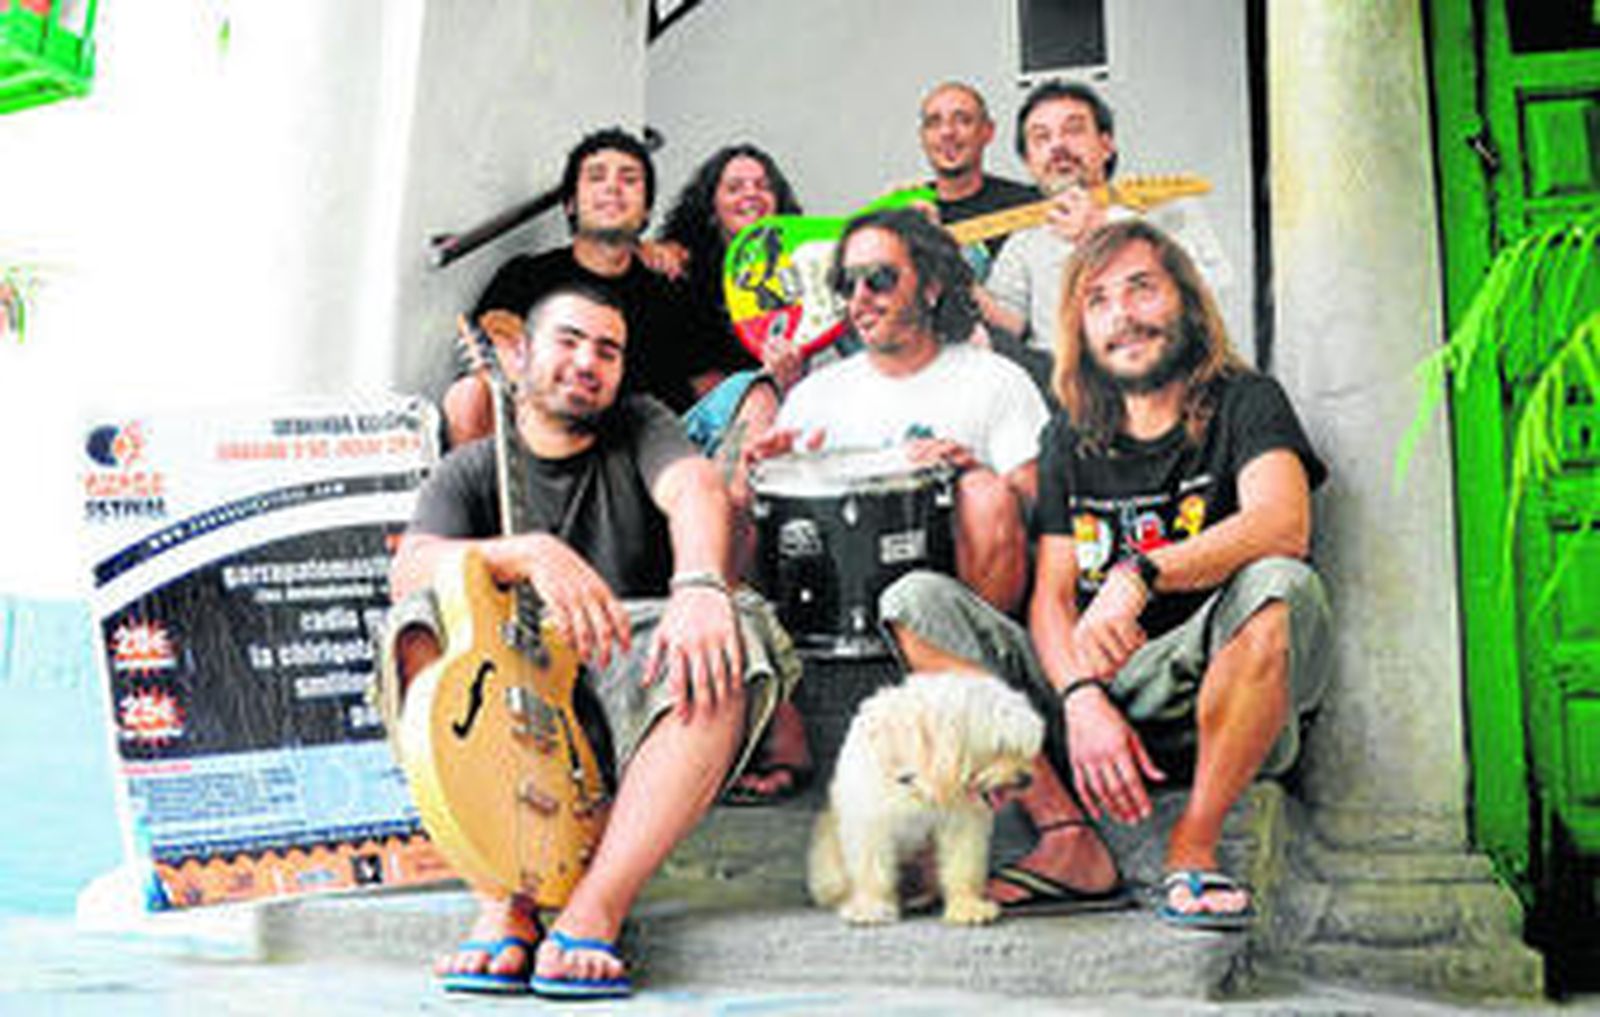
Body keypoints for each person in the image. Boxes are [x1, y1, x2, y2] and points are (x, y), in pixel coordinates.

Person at [880, 220, 1330, 929]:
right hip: (1084, 699)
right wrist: (1083, 696)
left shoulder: (1246, 399)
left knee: (1281, 582)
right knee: (914, 602)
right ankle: (1066, 837)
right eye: (1097, 300)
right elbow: (1053, 595)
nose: (1122, 315)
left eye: (1141, 289)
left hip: (1201, 687)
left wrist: (1138, 574)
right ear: (1079, 327)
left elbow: (1284, 523)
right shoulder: (1070, 433)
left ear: (1183, 300)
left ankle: (1193, 848)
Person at [391, 283, 799, 997]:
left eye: (606, 350)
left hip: (625, 682)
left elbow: (696, 487)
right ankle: (502, 899)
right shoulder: (471, 468)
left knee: (726, 634)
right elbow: (409, 568)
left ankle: (593, 909)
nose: (588, 362)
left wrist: (701, 584)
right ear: (519, 359)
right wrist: (529, 553)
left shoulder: (639, 423)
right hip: (507, 701)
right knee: (414, 623)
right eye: (569, 341)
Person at [759, 207, 1049, 616]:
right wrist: (768, 474)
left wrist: (968, 469)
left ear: (930, 287)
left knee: (985, 494)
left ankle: (973, 668)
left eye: (879, 279)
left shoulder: (996, 379)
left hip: (959, 602)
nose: (860, 298)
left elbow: (1042, 511)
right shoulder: (813, 395)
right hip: (841, 601)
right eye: (847, 283)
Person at [443, 127, 718, 448]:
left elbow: (709, 392)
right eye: (596, 177)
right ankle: (490, 497)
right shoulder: (527, 276)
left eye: (629, 180)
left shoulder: (674, 293)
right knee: (468, 396)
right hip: (550, 441)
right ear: (571, 204)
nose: (612, 188)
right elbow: (497, 345)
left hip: (642, 454)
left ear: (645, 211)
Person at [978, 80, 1230, 372]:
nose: (1057, 145)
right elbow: (1008, 323)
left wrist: (1103, 226)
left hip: (1158, 381)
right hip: (1062, 394)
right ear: (1029, 161)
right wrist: (953, 272)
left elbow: (1212, 291)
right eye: (1041, 138)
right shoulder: (1024, 237)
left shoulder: (1166, 209)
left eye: (1073, 130)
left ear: (1106, 145)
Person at [917, 80, 1039, 274]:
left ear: (988, 131)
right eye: (934, 123)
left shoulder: (1029, 205)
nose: (947, 132)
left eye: (963, 120)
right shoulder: (911, 211)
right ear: (922, 137)